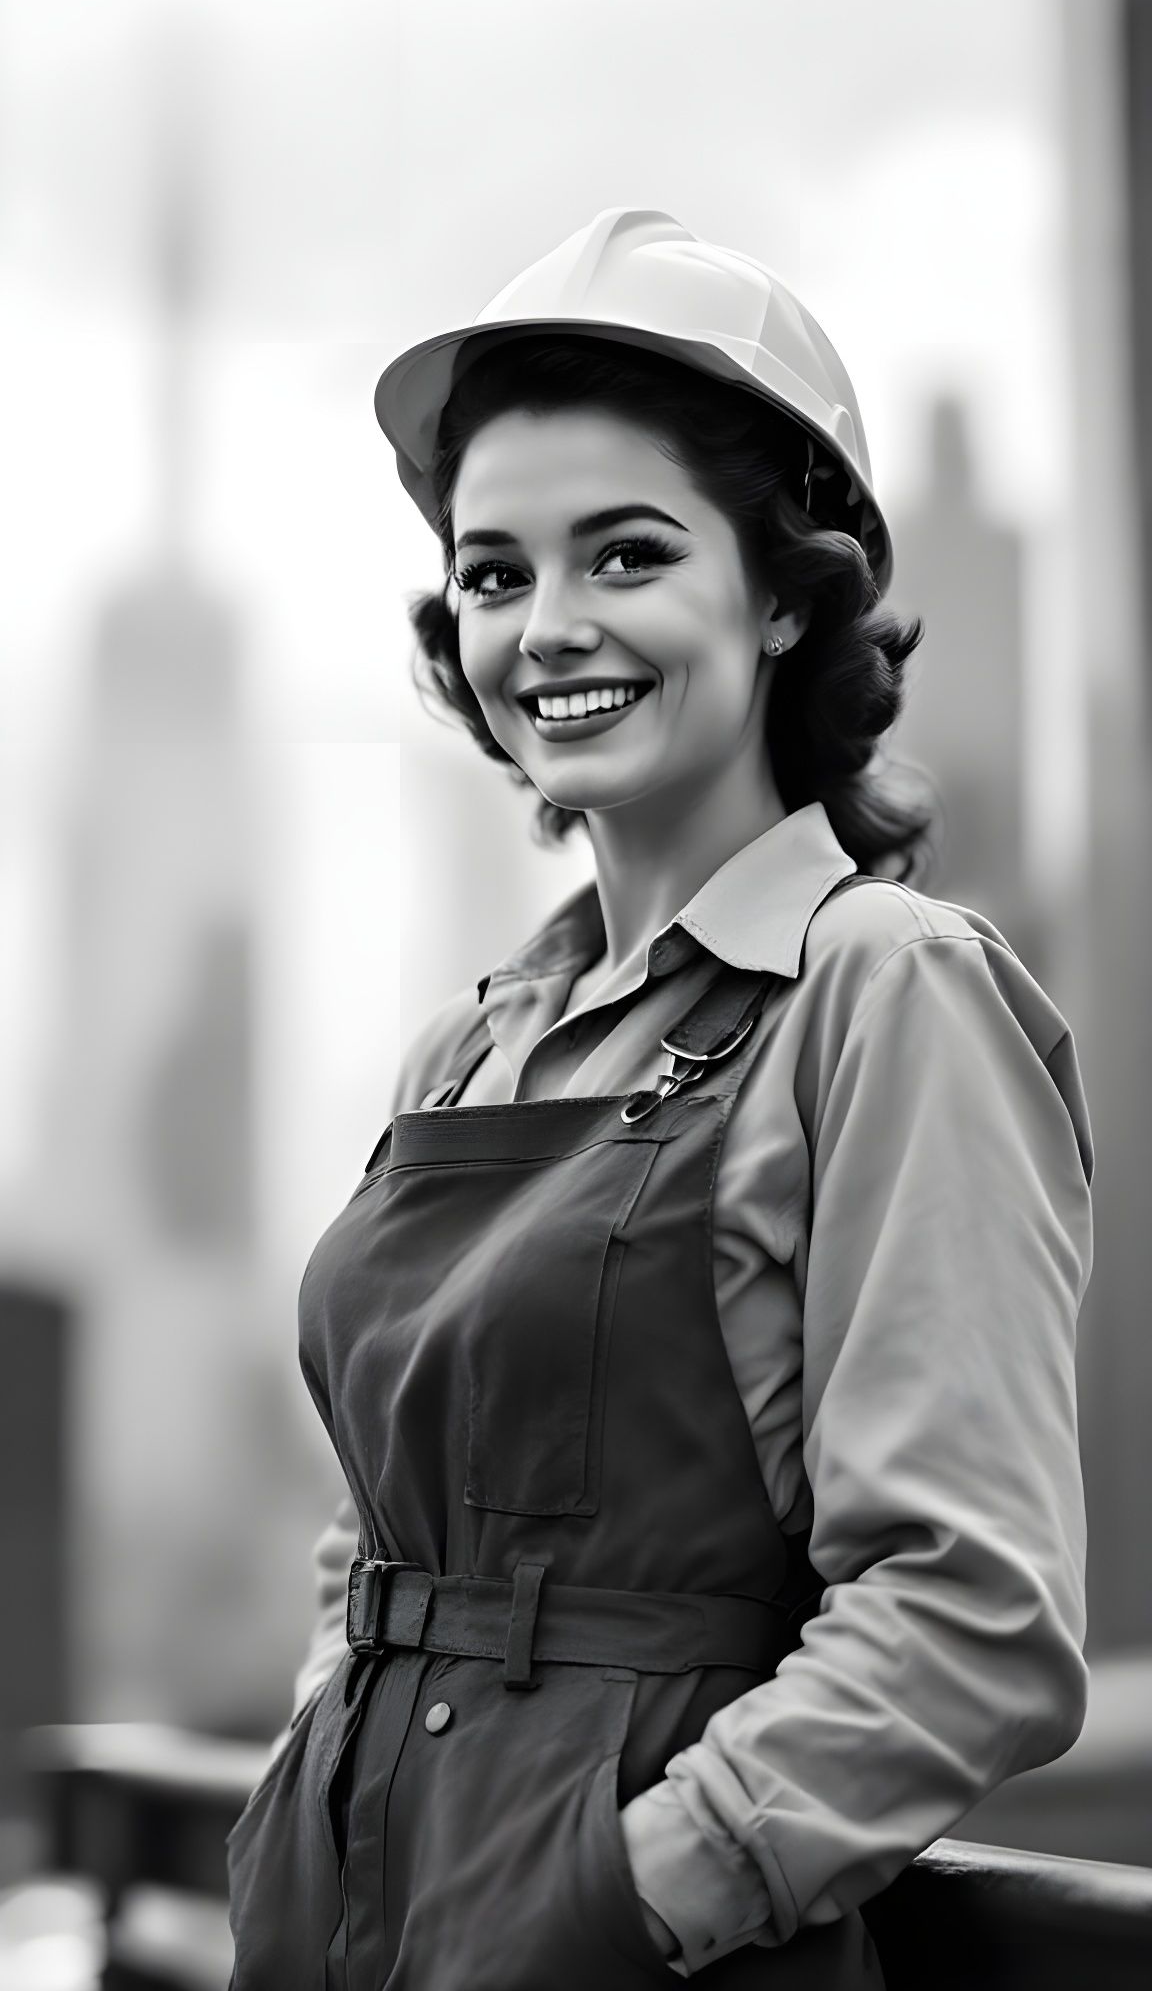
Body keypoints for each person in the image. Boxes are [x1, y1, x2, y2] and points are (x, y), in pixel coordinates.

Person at [224, 207, 1095, 1990]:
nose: (550, 628)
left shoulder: (885, 990)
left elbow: (971, 1615)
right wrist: (323, 1776)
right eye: (493, 574)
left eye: (627, 555)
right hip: (342, 1923)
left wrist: (616, 1903)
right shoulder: (470, 1050)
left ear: (783, 591)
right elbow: (374, 1539)